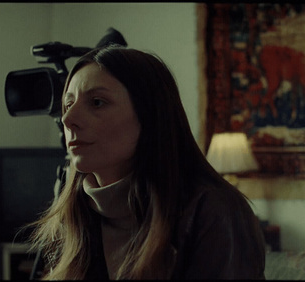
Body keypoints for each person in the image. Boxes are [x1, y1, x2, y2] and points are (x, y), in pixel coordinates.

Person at [26, 45, 266, 280]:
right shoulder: (75, 212)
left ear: (150, 115)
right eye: (68, 104)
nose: (68, 119)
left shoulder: (215, 211)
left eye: (97, 102)